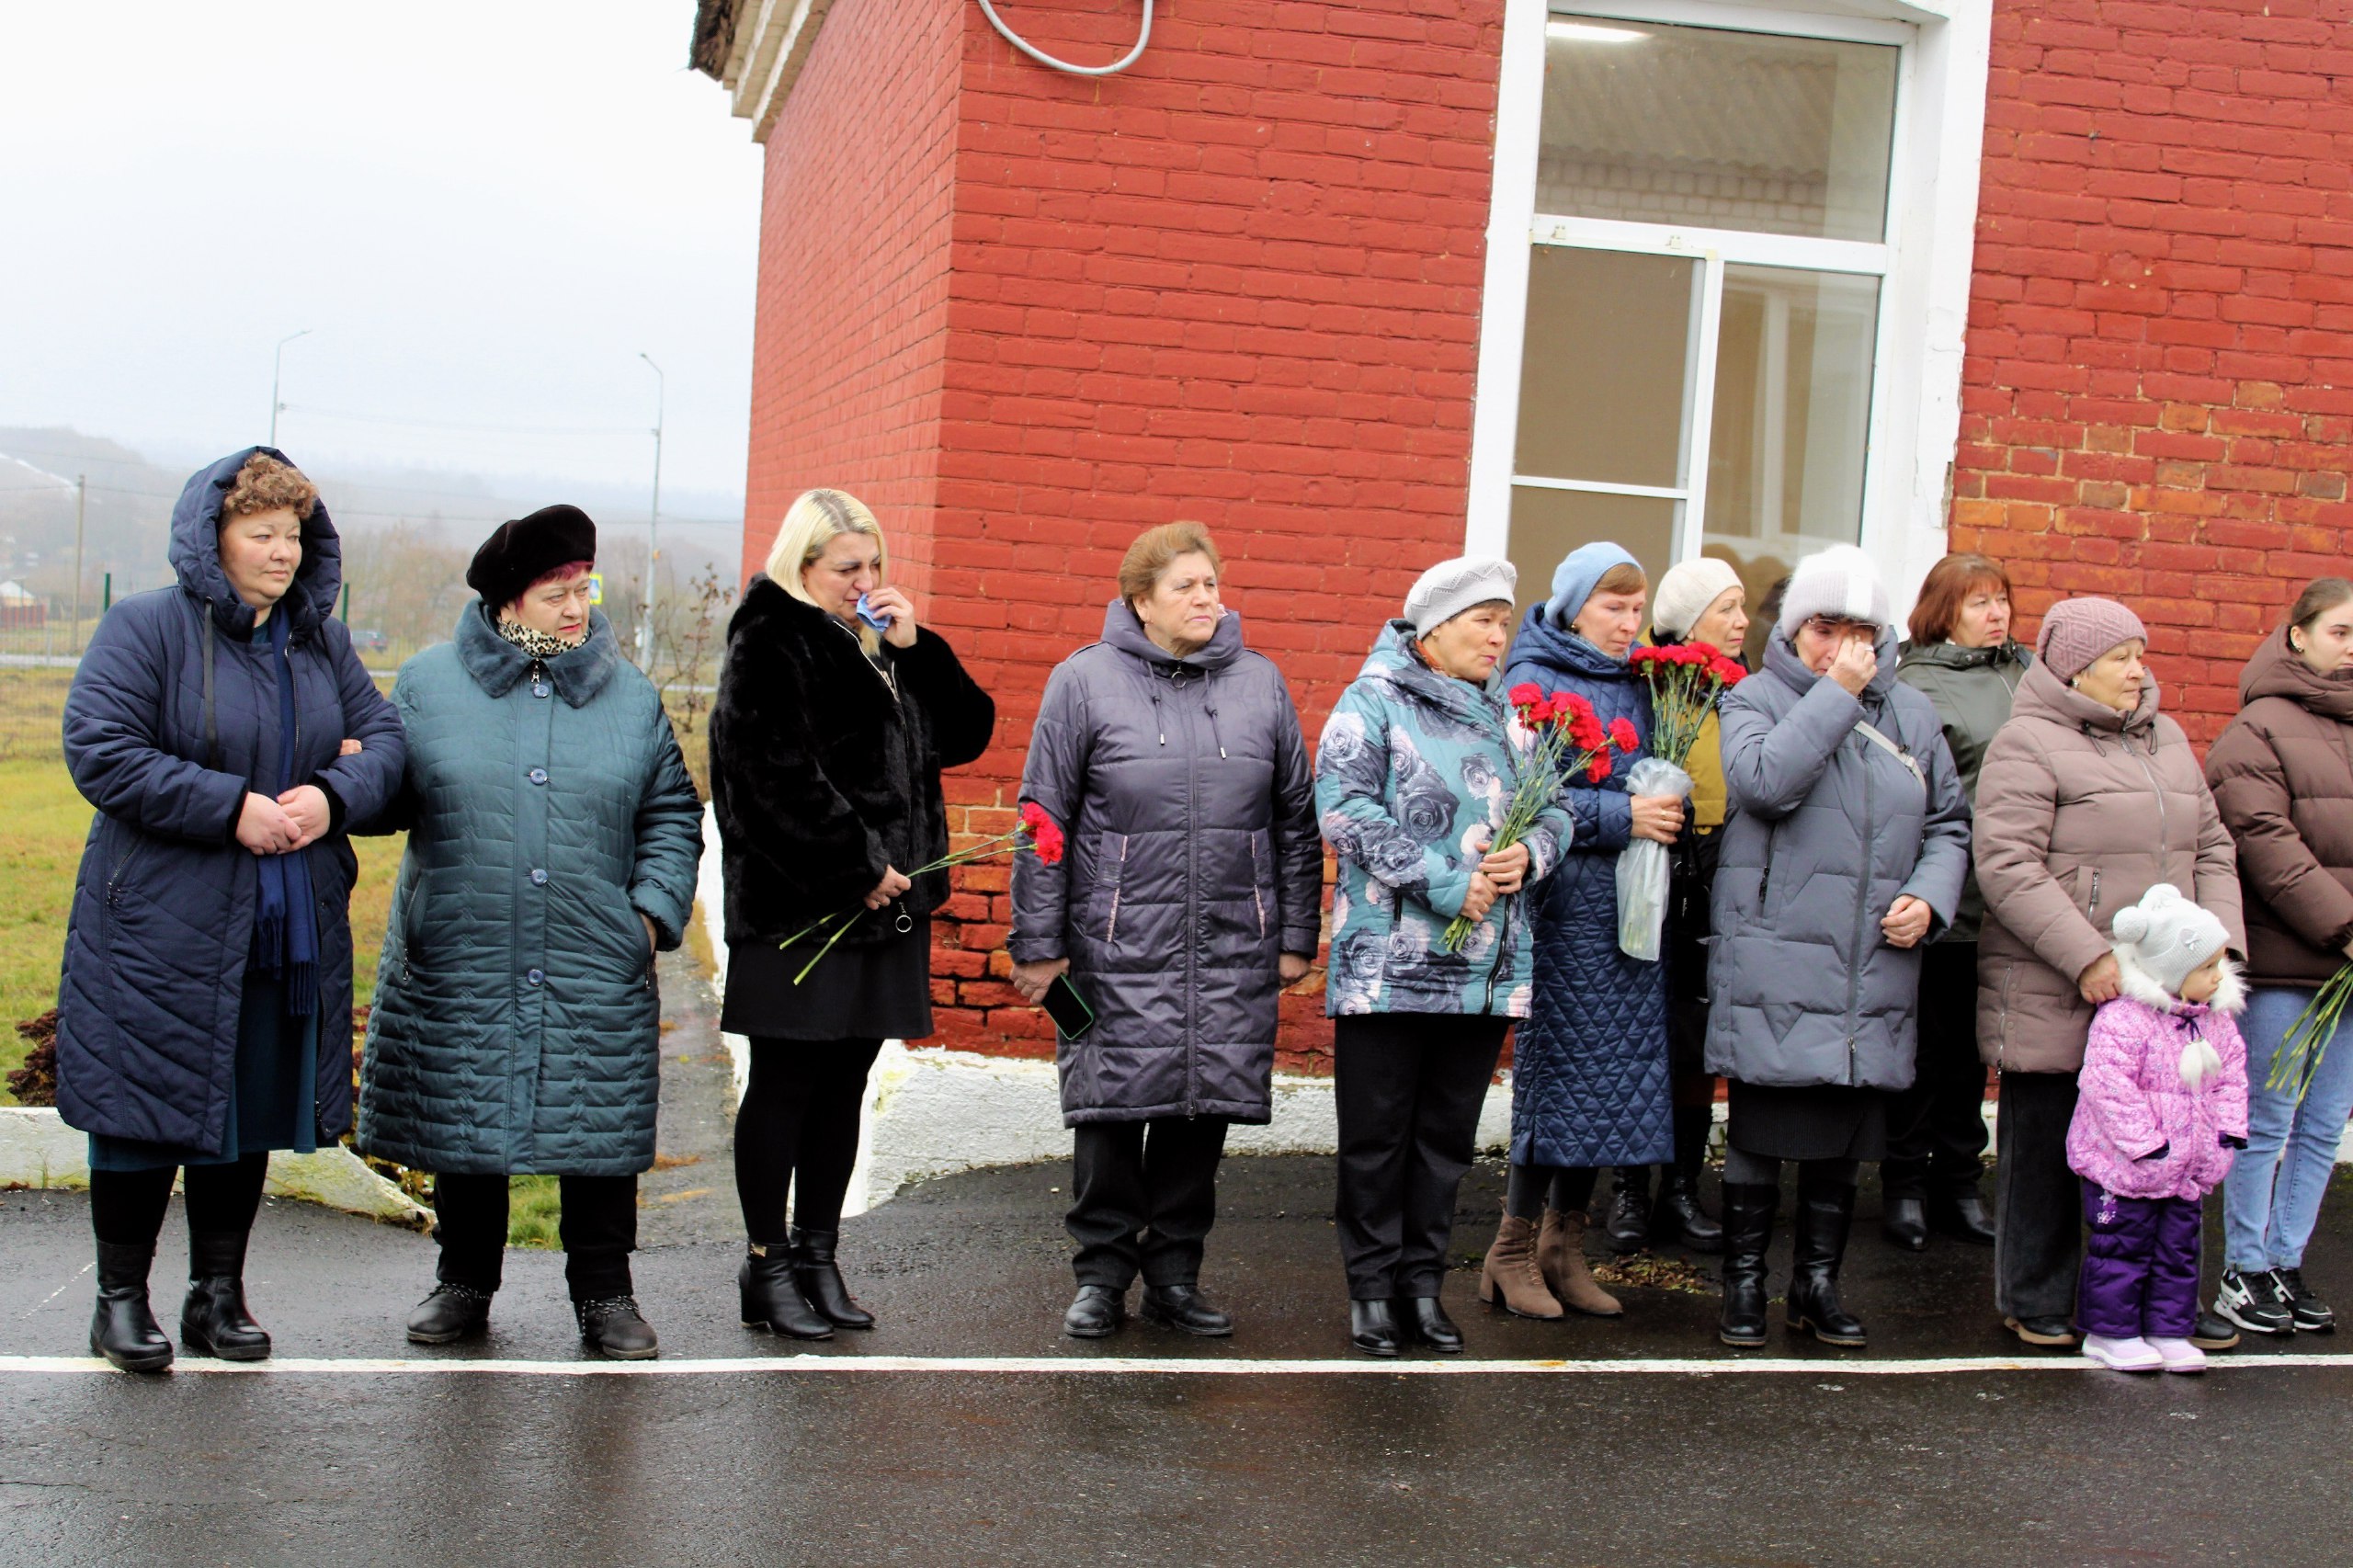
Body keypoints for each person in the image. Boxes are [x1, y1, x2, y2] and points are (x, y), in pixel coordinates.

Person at [58, 449, 404, 1372]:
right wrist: (229, 807)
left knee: (243, 1108)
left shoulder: (318, 641)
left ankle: (216, 1294)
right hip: (157, 923)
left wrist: (331, 796)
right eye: (261, 533)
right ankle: (119, 1301)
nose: (282, 552)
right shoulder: (145, 628)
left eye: (293, 534)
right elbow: (100, 747)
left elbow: (386, 740)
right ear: (212, 539)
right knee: (140, 1109)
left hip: (280, 924)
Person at [358, 506, 703, 1359]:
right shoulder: (428, 683)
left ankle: (606, 1294)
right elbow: (386, 798)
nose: (577, 608)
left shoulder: (630, 695)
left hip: (595, 949)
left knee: (598, 1124)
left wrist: (649, 916)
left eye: (585, 587)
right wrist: (345, 773)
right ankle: (464, 1282)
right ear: (508, 600)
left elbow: (670, 811)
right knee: (467, 1116)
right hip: (464, 944)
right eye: (557, 593)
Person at [1008, 522, 1321, 1340]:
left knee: (1199, 1113)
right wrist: (1039, 945)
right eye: (1186, 586)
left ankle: (1176, 1277)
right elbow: (1043, 818)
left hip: (1231, 942)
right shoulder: (1083, 682)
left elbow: (1295, 820)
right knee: (1111, 1114)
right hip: (1116, 945)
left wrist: (1295, 934)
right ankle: (1102, 1278)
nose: (1205, 598)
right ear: (1141, 601)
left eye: (1212, 583)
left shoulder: (1260, 684)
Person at [708, 489, 995, 1341]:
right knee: (786, 1083)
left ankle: (819, 1257)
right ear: (802, 567)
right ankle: (767, 1266)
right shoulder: (771, 639)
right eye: (846, 569)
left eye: (873, 565)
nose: (865, 582)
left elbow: (967, 734)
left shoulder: (875, 645)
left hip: (885, 912)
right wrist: (855, 867)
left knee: (845, 1084)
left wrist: (916, 649)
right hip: (801, 911)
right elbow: (767, 775)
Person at [1706, 545, 1971, 1349]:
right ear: (1794, 631)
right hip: (1777, 953)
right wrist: (1837, 695)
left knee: (1848, 1131)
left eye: (1860, 631)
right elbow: (1764, 783)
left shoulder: (1912, 714)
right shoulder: (1752, 698)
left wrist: (1930, 895)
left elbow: (1949, 824)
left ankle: (1816, 1285)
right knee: (1765, 1126)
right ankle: (1743, 1284)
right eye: (1824, 628)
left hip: (1870, 962)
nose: (1842, 646)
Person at [1973, 597, 2242, 1350]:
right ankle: (2037, 1295)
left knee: (2167, 1147)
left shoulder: (2168, 738)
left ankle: (2163, 1302)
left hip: (2166, 997)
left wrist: (2217, 950)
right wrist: (2088, 955)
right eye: (2120, 658)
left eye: (2139, 655)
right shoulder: (2027, 742)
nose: (2137, 671)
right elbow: (2007, 863)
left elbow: (2213, 847)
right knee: (2050, 1146)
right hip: (2059, 982)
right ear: (2074, 668)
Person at [1317, 557, 1571, 1356]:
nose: (1498, 636)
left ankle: (1422, 1287)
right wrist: (1447, 883)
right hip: (1388, 968)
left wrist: (1530, 853)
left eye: (1504, 622)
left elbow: (1556, 810)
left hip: (1483, 971)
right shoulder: (1372, 701)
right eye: (1482, 620)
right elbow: (1343, 808)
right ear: (1433, 629)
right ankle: (1371, 1290)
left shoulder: (1513, 719)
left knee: (1445, 1140)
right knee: (1377, 1139)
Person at [1478, 542, 1674, 1323]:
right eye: (1612, 607)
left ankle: (1564, 1246)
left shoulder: (1644, 683)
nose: (1628, 623)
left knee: (1608, 1081)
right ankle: (1511, 1250)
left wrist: (1668, 803)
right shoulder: (1533, 678)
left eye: (1637, 609)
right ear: (1573, 607)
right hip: (1562, 909)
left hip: (1630, 908)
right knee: (1558, 1077)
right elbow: (1525, 798)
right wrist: (1627, 815)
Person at [2204, 577, 2353, 1336]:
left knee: (2324, 1125)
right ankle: (2244, 1267)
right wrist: (2345, 927)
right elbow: (2266, 842)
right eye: (2340, 632)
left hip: (2349, 971)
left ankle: (2286, 1262)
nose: (2352, 648)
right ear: (2297, 634)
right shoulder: (2256, 730)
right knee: (2267, 1119)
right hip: (2289, 961)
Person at [1881, 552, 2030, 1250]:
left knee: (1976, 1055)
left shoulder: (2029, 675)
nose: (1997, 614)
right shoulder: (1914, 684)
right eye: (1979, 602)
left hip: (2012, 902)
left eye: (2002, 599)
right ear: (1944, 611)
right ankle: (1905, 1186)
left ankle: (1960, 1186)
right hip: (1944, 899)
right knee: (1926, 1052)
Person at [2066, 885, 2248, 1372]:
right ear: (2170, 971)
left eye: (2219, 965)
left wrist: (2226, 1135)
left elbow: (2232, 1081)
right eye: (2207, 968)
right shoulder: (2124, 1020)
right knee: (2121, 1249)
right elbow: (2107, 1086)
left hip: (2187, 1167)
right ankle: (2110, 1333)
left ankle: (2168, 1330)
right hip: (2126, 1167)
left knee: (2177, 1252)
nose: (2219, 976)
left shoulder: (2215, 1023)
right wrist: (2145, 1145)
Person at [1631, 556, 1750, 1254]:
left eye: (1743, 607)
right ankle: (1627, 1189)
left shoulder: (1743, 687)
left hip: (1718, 866)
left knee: (1694, 1033)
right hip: (1650, 864)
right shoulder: (1645, 679)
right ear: (1687, 618)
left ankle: (1678, 1188)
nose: (1742, 622)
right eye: (1726, 608)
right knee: (1638, 1029)